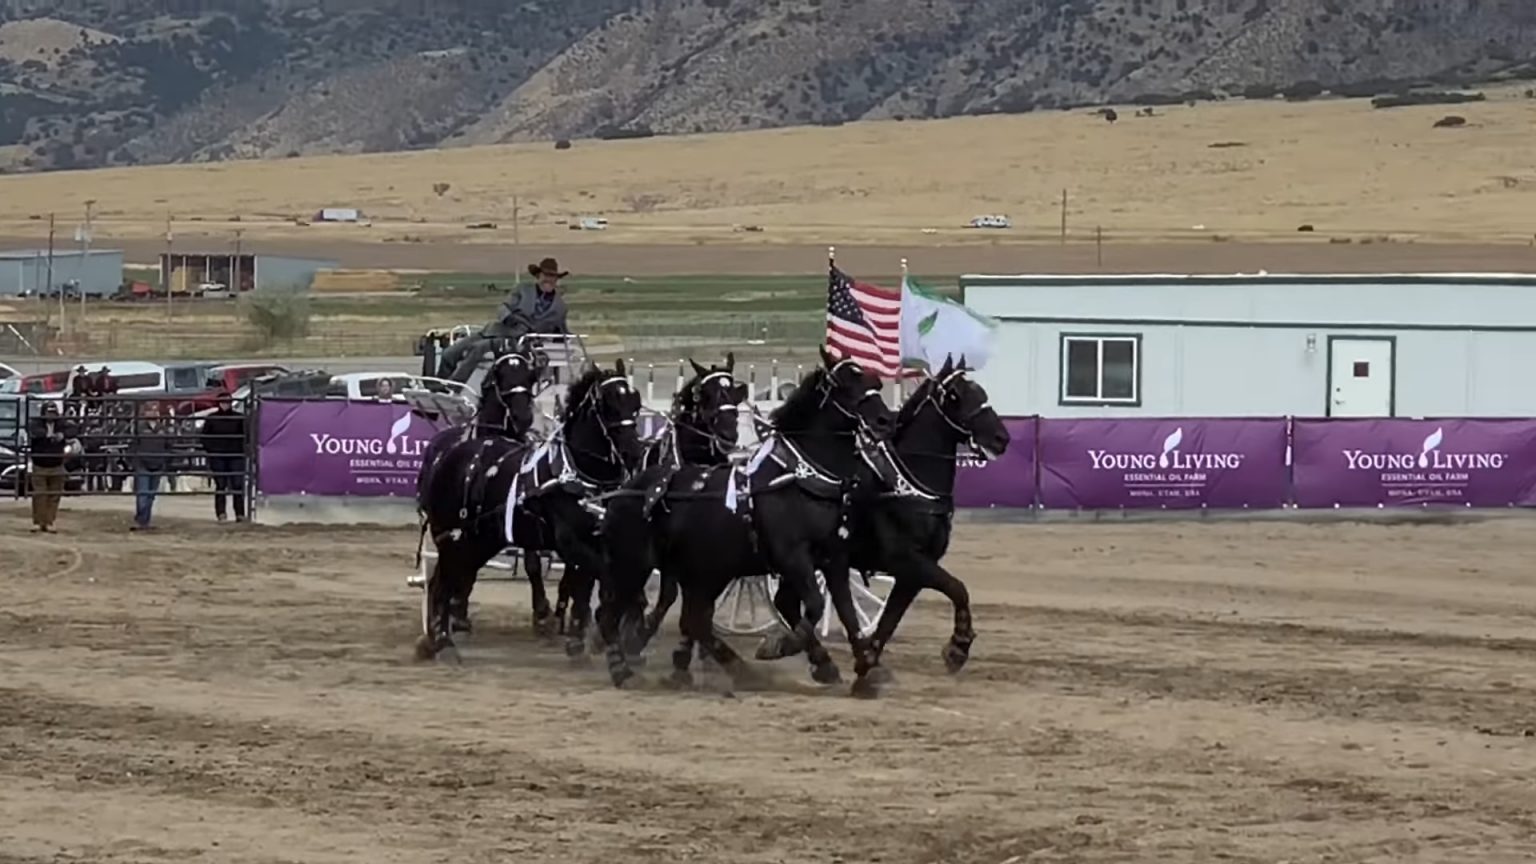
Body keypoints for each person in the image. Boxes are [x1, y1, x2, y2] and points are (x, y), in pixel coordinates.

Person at [437, 257, 570, 383]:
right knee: (450, 352)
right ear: (538, 276)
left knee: (477, 349)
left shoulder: (560, 308)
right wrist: (509, 317)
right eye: (545, 275)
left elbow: (562, 331)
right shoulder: (522, 290)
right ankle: (438, 386)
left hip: (515, 342)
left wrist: (561, 339)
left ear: (556, 279)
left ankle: (454, 386)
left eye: (552, 276)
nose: (548, 280)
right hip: (495, 330)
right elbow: (503, 307)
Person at [27, 401, 75, 533]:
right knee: (39, 495)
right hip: (40, 464)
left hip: (57, 464)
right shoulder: (36, 423)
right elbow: (34, 431)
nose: (51, 415)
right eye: (48, 412)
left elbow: (73, 429)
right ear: (43, 412)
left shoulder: (61, 423)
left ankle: (49, 521)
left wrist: (62, 435)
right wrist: (48, 435)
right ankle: (38, 522)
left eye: (53, 412)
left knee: (55, 495)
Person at [201, 391, 247, 523]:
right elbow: (204, 438)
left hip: (235, 455)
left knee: (237, 484)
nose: (225, 405)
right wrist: (211, 450)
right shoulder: (212, 418)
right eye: (222, 402)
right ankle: (221, 513)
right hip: (218, 455)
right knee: (221, 484)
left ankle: (239, 513)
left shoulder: (239, 418)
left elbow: (246, 436)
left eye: (227, 402)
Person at [129, 401, 170, 532]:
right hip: (143, 464)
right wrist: (134, 462)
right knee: (143, 494)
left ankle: (144, 519)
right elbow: (133, 446)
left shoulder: (163, 429)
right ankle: (142, 520)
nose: (153, 413)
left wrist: (166, 461)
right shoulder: (139, 428)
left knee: (151, 495)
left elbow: (169, 446)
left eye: (155, 410)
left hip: (157, 464)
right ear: (145, 413)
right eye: (150, 410)